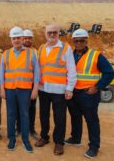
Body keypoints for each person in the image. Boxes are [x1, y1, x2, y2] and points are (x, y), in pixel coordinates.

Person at [65, 29, 114, 159]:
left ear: (87, 41)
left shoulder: (96, 55)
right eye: (76, 40)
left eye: (82, 40)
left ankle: (94, 147)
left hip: (88, 94)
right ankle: (75, 138)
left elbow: (109, 73)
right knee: (75, 117)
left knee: (91, 120)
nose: (79, 43)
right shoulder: (69, 54)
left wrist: (97, 87)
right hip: (73, 93)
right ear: (73, 41)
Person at [35, 24, 77, 156]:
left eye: (54, 32)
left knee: (59, 117)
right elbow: (38, 69)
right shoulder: (41, 48)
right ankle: (44, 137)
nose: (51, 35)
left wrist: (70, 88)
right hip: (43, 89)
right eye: (49, 33)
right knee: (43, 115)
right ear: (45, 34)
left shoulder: (66, 48)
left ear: (59, 33)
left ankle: (59, 142)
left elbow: (71, 70)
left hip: (59, 90)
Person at [0, 27, 39, 153]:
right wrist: (2, 89)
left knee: (25, 115)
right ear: (11, 39)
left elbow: (37, 73)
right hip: (10, 90)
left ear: (22, 38)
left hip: (25, 90)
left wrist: (35, 89)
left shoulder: (31, 53)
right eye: (14, 38)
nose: (16, 40)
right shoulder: (5, 54)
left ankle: (26, 140)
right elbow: (2, 74)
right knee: (11, 115)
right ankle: (12, 140)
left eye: (18, 38)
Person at [22, 29, 39, 140]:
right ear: (22, 39)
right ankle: (19, 128)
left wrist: (36, 87)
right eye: (25, 38)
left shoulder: (36, 52)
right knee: (20, 107)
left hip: (32, 85)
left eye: (29, 38)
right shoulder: (17, 51)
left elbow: (38, 70)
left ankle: (31, 129)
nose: (27, 40)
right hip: (21, 84)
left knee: (31, 108)